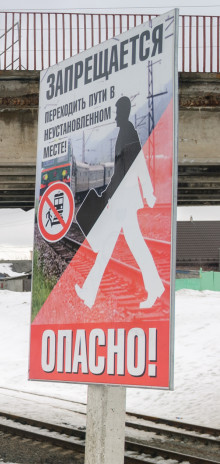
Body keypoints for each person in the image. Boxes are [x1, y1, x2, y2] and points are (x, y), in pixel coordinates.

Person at [74, 96, 163, 309]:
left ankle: (154, 288)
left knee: (121, 245)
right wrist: (110, 192)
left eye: (117, 111)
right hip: (124, 199)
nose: (115, 115)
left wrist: (114, 194)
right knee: (117, 246)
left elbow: (133, 167)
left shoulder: (128, 132)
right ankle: (90, 292)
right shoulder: (126, 132)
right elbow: (128, 168)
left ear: (123, 112)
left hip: (125, 201)